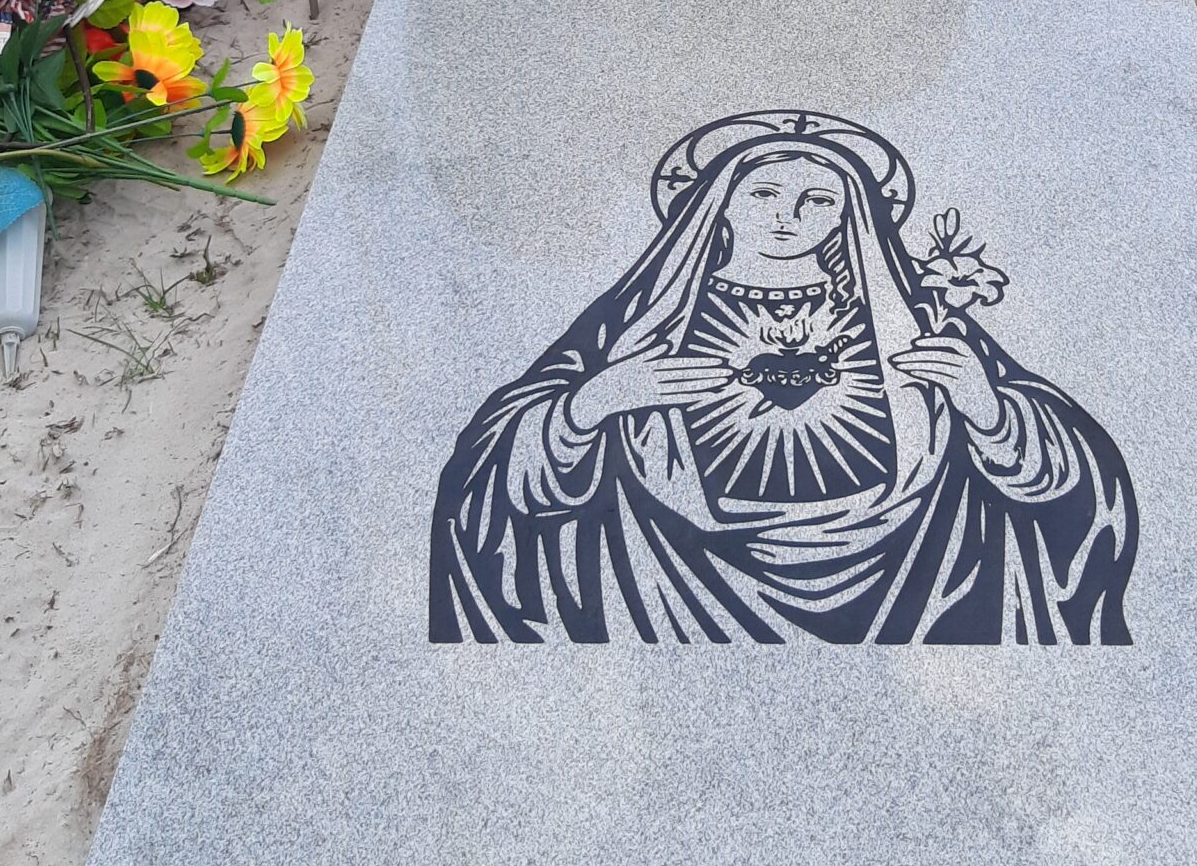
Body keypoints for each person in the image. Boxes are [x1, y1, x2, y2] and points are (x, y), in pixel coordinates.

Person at [430, 112, 1139, 645]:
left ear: (849, 216)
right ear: (722, 204)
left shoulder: (910, 315)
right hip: (674, 584)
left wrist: (988, 411)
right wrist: (590, 405)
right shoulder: (645, 321)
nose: (788, 217)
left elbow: (1071, 480)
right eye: (764, 193)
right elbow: (491, 474)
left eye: (818, 202)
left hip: (913, 571)